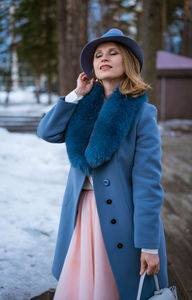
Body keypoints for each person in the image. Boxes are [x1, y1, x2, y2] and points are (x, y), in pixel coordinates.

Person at [37, 28, 168, 300]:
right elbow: (47, 132)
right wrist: (76, 94)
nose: (103, 58)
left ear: (128, 62)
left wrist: (149, 244)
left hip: (122, 220)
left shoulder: (142, 114)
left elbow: (147, 183)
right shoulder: (82, 106)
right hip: (81, 215)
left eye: (112, 52)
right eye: (98, 55)